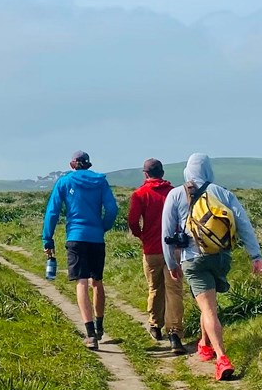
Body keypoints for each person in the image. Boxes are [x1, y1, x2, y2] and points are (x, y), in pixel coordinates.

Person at [162, 154, 262, 381]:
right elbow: (243, 224)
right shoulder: (223, 193)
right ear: (208, 170)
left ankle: (221, 358)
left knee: (208, 308)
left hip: (193, 258)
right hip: (221, 258)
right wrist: (256, 255)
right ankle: (204, 345)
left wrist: (171, 263)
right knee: (209, 304)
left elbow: (166, 233)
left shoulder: (176, 194)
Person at [43, 150, 119, 350]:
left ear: (72, 164)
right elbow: (112, 209)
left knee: (81, 283)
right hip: (96, 239)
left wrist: (47, 238)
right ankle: (100, 325)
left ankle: (90, 334)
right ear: (88, 165)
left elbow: (52, 211)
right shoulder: (101, 181)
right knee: (97, 282)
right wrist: (103, 226)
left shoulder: (64, 182)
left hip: (76, 237)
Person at [128, 158, 187, 355]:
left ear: (145, 174)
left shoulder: (140, 194)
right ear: (162, 172)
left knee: (155, 288)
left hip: (152, 248)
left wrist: (141, 235)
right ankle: (175, 333)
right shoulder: (176, 193)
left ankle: (155, 324)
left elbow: (133, 221)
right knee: (174, 291)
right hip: (175, 248)